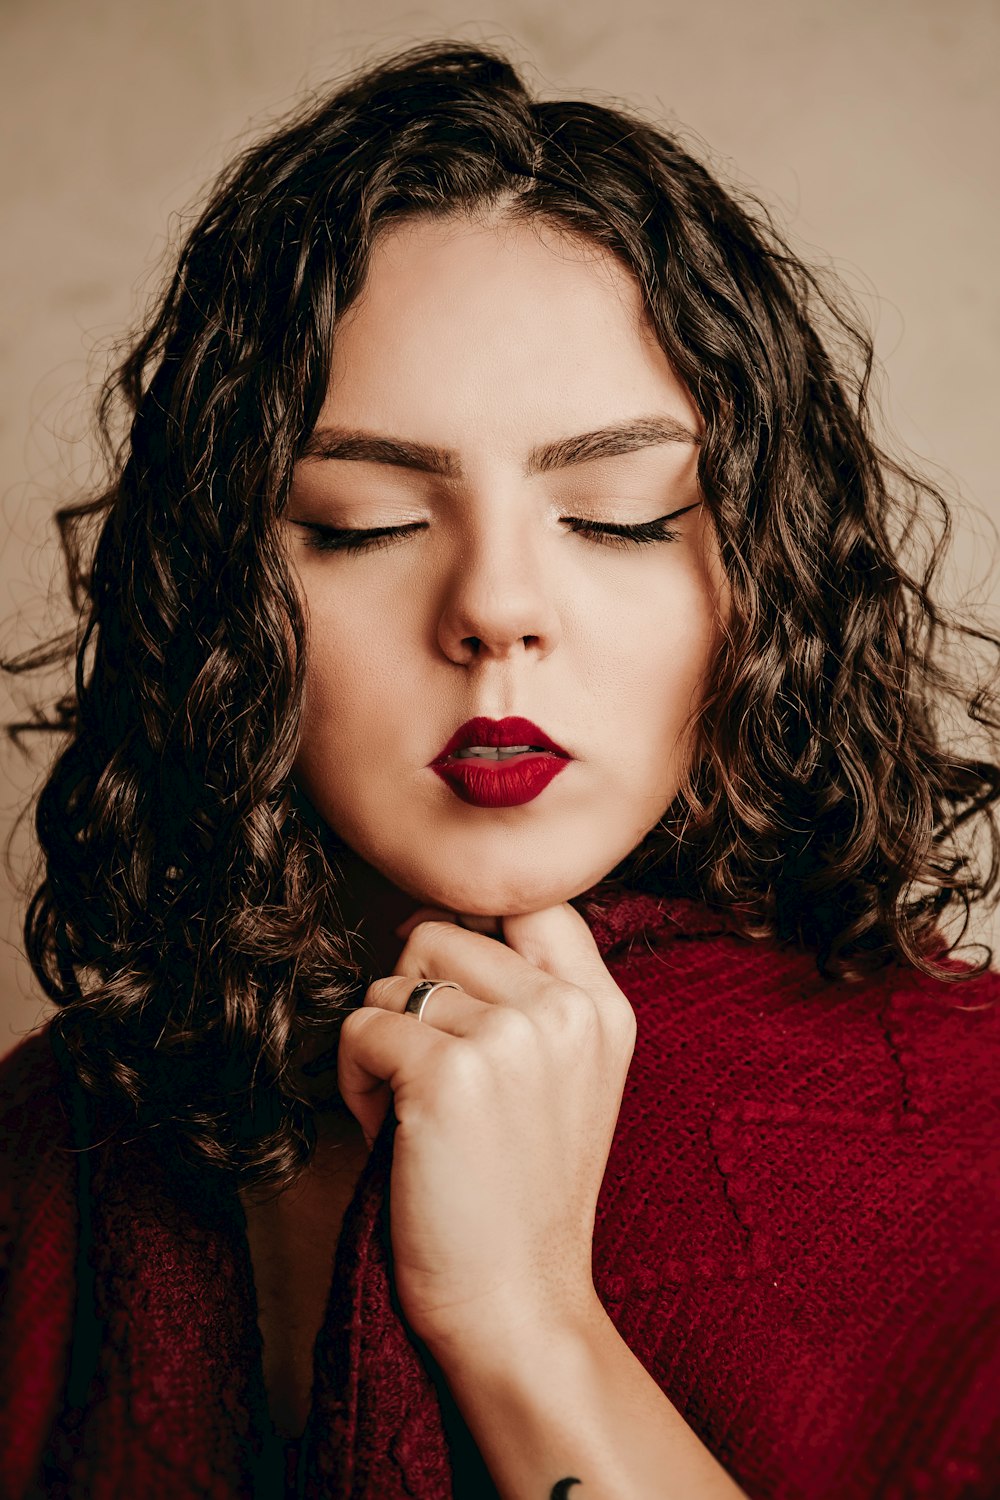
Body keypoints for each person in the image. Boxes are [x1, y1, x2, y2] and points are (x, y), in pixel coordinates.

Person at [1, 37, 998, 1500]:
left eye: (620, 515)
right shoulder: (50, 1153)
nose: (494, 609)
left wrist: (527, 1328)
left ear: (765, 578)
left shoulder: (976, 1143)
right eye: (359, 522)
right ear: (216, 592)